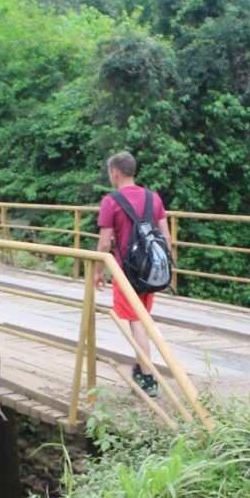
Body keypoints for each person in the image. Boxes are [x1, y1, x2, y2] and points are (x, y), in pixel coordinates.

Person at [94, 151, 173, 398]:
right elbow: (166, 237)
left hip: (126, 272)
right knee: (142, 318)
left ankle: (148, 378)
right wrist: (163, 268)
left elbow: (105, 244)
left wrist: (98, 272)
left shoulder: (111, 201)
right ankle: (141, 369)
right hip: (151, 272)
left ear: (115, 172)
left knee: (136, 322)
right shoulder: (154, 198)